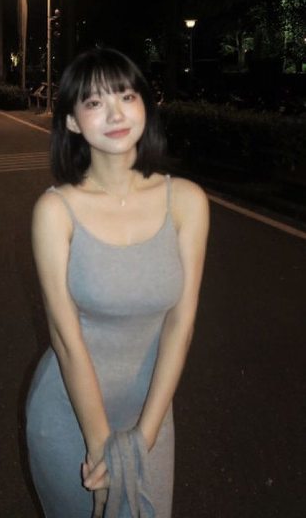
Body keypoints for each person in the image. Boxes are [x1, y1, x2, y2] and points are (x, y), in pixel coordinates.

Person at [25, 48, 209, 517]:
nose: (115, 113)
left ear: (145, 104)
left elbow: (181, 326)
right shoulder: (55, 211)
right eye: (94, 102)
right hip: (69, 415)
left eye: (126, 96)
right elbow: (65, 338)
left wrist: (143, 439)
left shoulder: (186, 201)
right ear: (71, 121)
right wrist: (99, 444)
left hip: (151, 411)